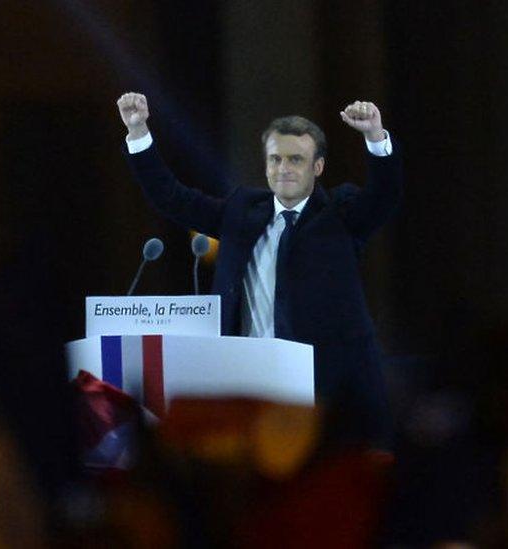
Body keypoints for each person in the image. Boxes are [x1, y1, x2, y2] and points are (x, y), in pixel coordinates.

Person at [116, 92, 403, 448]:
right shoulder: (241, 210)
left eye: (296, 159)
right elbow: (172, 198)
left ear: (317, 167)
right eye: (275, 159)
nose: (283, 168)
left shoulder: (341, 214)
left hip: (322, 390)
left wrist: (375, 136)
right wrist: (138, 130)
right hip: (247, 385)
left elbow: (384, 195)